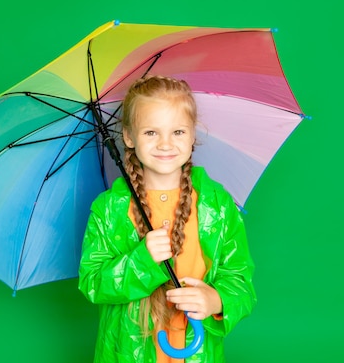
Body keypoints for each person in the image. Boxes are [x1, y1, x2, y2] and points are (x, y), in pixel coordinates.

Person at [78, 75, 256, 362]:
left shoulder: (217, 204)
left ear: (192, 134)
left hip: (195, 351)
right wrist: (142, 260)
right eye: (150, 132)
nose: (165, 144)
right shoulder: (109, 209)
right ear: (128, 137)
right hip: (128, 352)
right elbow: (93, 282)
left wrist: (217, 300)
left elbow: (239, 279)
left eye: (178, 132)